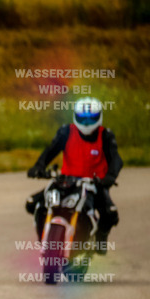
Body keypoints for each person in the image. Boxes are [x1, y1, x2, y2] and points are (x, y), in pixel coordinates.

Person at [25, 97, 122, 254]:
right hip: (65, 182)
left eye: (91, 118)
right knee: (32, 204)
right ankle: (45, 237)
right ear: (75, 116)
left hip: (94, 185)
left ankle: (100, 239)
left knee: (110, 213)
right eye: (82, 118)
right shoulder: (66, 132)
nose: (86, 122)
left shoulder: (105, 136)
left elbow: (116, 159)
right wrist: (39, 167)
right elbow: (50, 150)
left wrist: (110, 177)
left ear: (99, 117)